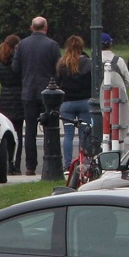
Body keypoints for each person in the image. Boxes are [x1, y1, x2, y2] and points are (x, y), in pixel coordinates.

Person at [16, 17, 59, 169]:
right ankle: (50, 162)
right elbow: (57, 69)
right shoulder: (52, 45)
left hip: (28, 91)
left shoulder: (22, 45)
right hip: (47, 92)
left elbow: (16, 67)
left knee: (30, 130)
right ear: (46, 28)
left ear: (31, 27)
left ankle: (30, 165)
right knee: (50, 129)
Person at [55, 35, 95, 166]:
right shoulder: (88, 63)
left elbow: (58, 82)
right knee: (85, 134)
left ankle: (67, 164)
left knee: (68, 135)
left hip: (67, 103)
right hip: (84, 101)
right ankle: (85, 162)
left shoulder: (62, 63)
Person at [0, 34, 28, 172]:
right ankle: (16, 164)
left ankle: (8, 162)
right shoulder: (17, 60)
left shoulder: (0, 60)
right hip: (18, 96)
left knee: (7, 133)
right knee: (18, 134)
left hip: (5, 96)